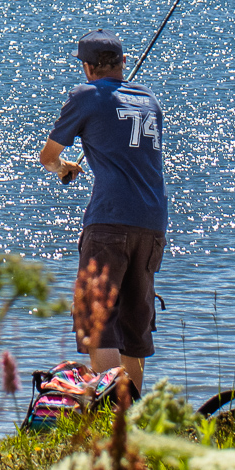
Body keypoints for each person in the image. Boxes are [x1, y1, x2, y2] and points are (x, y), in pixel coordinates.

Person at [39, 30, 166, 389]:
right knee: (133, 326)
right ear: (123, 63)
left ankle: (108, 416)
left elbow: (48, 157)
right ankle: (131, 412)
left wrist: (65, 168)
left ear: (87, 68)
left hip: (110, 220)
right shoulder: (150, 102)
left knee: (98, 321)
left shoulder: (85, 97)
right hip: (153, 223)